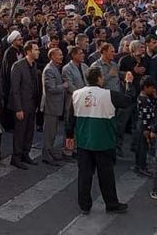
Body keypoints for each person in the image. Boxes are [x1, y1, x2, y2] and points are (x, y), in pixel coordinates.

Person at [66, 67, 135, 215]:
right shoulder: (109, 95)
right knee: (106, 176)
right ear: (98, 78)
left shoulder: (77, 94)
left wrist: (69, 136)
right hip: (104, 141)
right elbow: (128, 100)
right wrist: (128, 84)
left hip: (84, 142)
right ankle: (111, 203)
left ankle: (84, 205)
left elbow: (70, 118)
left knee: (84, 175)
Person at [9, 41, 41, 170]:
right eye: (35, 49)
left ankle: (25, 154)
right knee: (20, 132)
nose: (38, 51)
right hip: (22, 105)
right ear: (28, 51)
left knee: (29, 131)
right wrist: (18, 108)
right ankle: (16, 157)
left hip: (32, 104)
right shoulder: (18, 66)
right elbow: (15, 89)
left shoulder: (33, 65)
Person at [41, 48, 69, 166]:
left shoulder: (55, 68)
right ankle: (46, 155)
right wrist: (63, 86)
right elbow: (51, 88)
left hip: (55, 106)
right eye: (59, 55)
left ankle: (50, 152)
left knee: (52, 132)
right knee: (49, 133)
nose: (61, 57)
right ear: (52, 56)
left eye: (62, 55)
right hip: (51, 106)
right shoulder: (49, 70)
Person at [134, 76, 157, 177]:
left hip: (143, 124)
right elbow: (144, 116)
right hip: (144, 125)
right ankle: (141, 166)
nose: (153, 90)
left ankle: (139, 165)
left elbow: (153, 107)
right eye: (151, 88)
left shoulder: (146, 98)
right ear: (145, 87)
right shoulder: (143, 100)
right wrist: (147, 129)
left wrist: (155, 98)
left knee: (141, 146)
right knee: (143, 147)